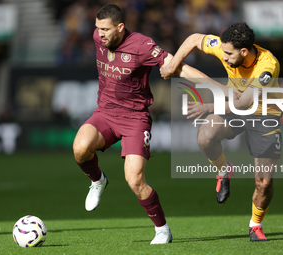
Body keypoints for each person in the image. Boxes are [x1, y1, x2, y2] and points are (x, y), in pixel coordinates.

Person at [72, 4, 208, 245]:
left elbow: (179, 67)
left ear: (120, 27)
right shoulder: (97, 37)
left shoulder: (142, 46)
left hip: (135, 118)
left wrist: (216, 88)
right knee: (80, 148)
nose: (100, 34)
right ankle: (97, 181)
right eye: (97, 28)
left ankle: (162, 229)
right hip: (105, 112)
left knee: (135, 181)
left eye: (105, 29)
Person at [161, 22, 283, 242]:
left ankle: (255, 225)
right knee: (205, 136)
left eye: (228, 54)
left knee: (263, 183)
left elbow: (246, 103)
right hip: (234, 107)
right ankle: (223, 170)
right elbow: (194, 39)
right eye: (223, 52)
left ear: (244, 51)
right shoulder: (225, 46)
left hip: (264, 115)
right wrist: (173, 65)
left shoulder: (267, 66)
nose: (224, 57)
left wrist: (209, 107)